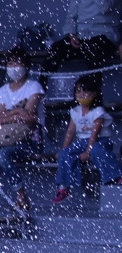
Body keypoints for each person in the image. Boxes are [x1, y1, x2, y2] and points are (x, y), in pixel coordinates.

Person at [0, 49, 44, 211]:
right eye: (10, 63)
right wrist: (18, 111)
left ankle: (21, 196)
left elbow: (29, 116)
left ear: (26, 66)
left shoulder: (34, 86)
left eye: (18, 63)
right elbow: (2, 115)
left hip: (28, 140)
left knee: (2, 155)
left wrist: (5, 117)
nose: (14, 67)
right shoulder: (2, 90)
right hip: (5, 138)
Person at [52, 75, 122, 204]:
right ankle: (64, 187)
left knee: (98, 150)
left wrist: (88, 152)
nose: (81, 94)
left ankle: (115, 176)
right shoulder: (75, 111)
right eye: (78, 91)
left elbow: (95, 134)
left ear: (94, 94)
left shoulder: (98, 111)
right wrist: (63, 149)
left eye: (85, 91)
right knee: (65, 154)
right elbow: (70, 131)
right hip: (82, 142)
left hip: (99, 141)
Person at [43, 0, 121, 73]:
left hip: (105, 37)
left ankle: (92, 88)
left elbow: (105, 8)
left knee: (92, 50)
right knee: (55, 49)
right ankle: (41, 87)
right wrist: (72, 35)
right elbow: (71, 16)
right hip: (82, 37)